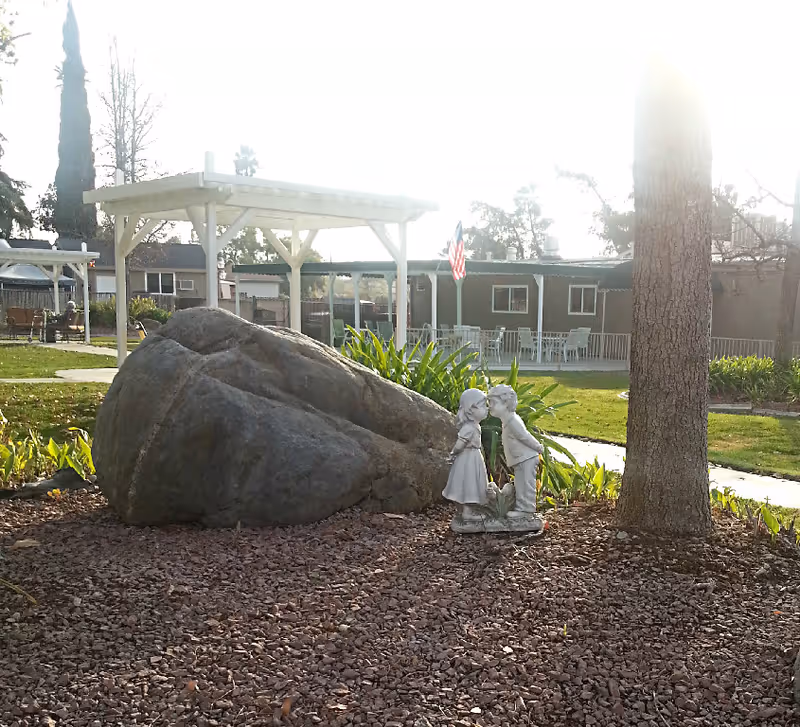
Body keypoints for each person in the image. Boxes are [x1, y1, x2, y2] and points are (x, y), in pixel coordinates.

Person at [488, 384, 544, 518]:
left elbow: (524, 436)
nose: (489, 406)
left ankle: (526, 510)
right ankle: (522, 508)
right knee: (521, 483)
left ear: (506, 403)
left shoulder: (513, 421)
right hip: (520, 458)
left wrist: (537, 446)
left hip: (526, 458)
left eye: (493, 402)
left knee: (525, 483)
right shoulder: (508, 420)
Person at [442, 388, 490, 521]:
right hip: (468, 459)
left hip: (472, 457)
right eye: (483, 406)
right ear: (471, 409)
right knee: (469, 483)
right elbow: (460, 444)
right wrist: (453, 453)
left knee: (469, 482)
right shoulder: (469, 428)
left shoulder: (474, 425)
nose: (487, 409)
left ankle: (465, 510)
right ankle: (467, 512)